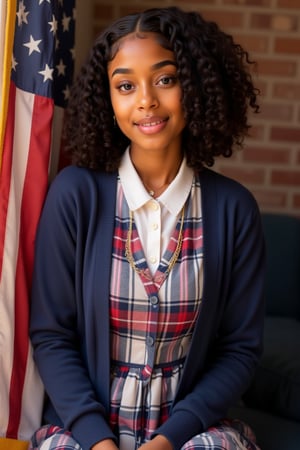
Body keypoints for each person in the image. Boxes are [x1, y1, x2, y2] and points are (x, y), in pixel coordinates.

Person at [29, 6, 266, 450]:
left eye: (165, 79)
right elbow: (51, 335)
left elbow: (240, 350)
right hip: (82, 431)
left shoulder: (235, 209)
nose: (146, 101)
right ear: (108, 99)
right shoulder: (76, 195)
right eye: (125, 85)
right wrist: (97, 439)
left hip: (190, 434)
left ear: (194, 86)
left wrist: (168, 440)